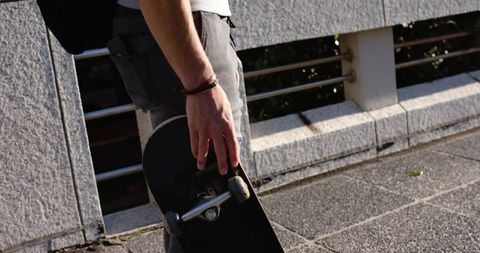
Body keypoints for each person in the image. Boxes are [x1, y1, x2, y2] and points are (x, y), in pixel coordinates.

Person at [106, 0, 245, 252]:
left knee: (197, 214)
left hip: (182, 27)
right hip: (185, 26)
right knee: (216, 215)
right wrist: (201, 84)